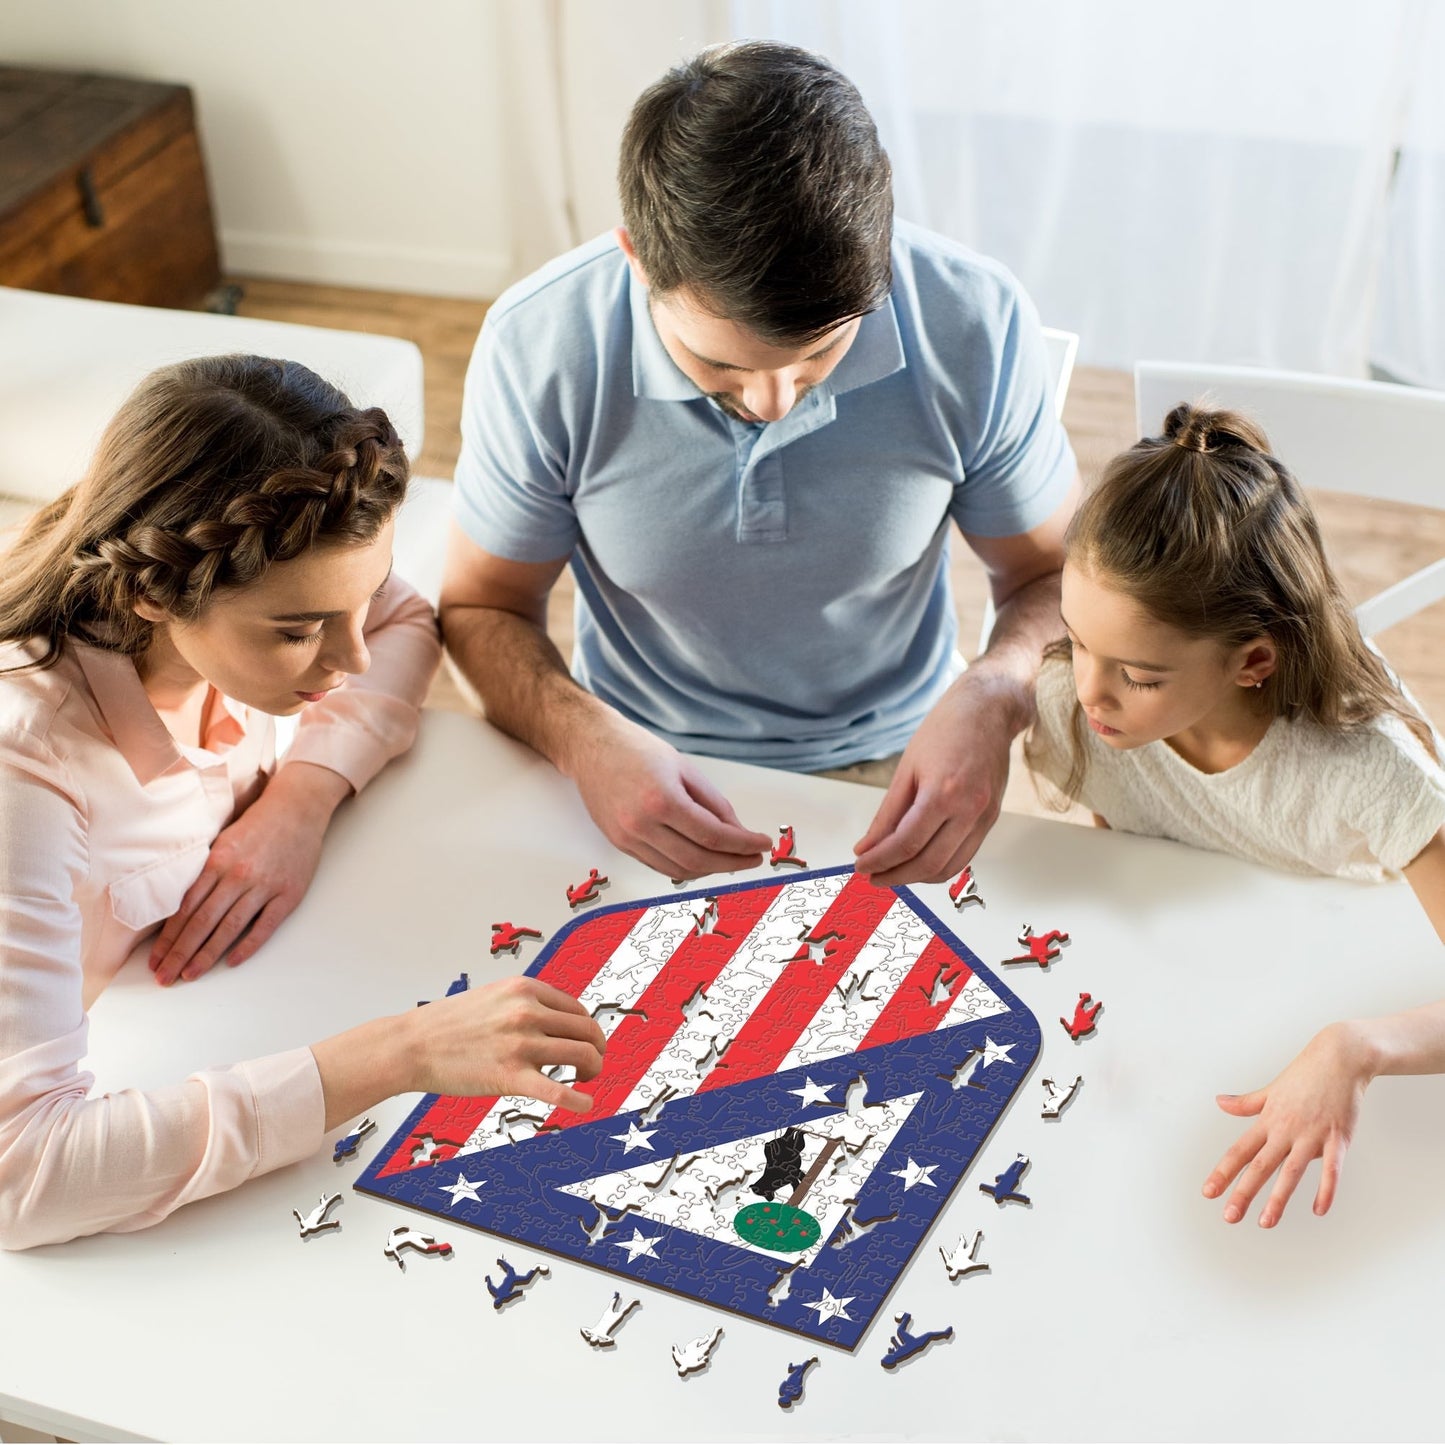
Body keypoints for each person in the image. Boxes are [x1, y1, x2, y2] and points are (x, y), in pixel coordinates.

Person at [440, 41, 1080, 887]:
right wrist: (580, 737)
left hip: (901, 757)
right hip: (629, 760)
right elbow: (483, 605)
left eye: (818, 358)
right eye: (721, 367)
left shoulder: (972, 320)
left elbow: (1054, 577)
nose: (775, 401)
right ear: (637, 259)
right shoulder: (539, 346)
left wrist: (996, 695)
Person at [0, 356, 605, 1250]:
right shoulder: (27, 776)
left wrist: (301, 796)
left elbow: (403, 622)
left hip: (214, 1001)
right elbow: (25, 1176)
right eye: (298, 631)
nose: (351, 661)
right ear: (150, 592)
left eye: (353, 602)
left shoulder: (252, 595)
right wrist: (402, 1053)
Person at [1024, 402, 1445, 1228]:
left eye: (1138, 676)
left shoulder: (1370, 771)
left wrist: (1354, 1047)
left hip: (1377, 1000)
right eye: (1076, 641)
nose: (1087, 693)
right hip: (1213, 984)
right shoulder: (1077, 711)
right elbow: (1136, 847)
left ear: (1253, 660)